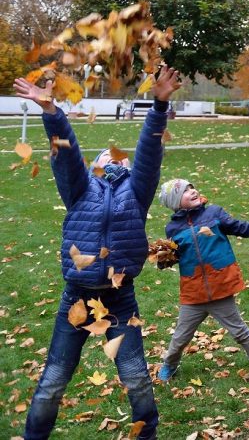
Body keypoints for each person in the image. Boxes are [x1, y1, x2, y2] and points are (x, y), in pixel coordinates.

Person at [15, 66, 182, 440]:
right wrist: (52, 112)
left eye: (118, 156)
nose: (113, 156)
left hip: (120, 300)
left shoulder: (135, 194)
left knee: (137, 379)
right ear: (94, 167)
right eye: (105, 155)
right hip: (77, 298)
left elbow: (149, 154)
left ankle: (147, 435)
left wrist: (159, 104)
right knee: (53, 383)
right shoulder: (78, 190)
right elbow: (67, 154)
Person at [155, 178, 249, 385]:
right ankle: (170, 365)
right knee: (180, 338)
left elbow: (240, 227)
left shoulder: (213, 213)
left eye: (193, 187)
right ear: (176, 202)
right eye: (185, 192)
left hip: (220, 287)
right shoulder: (173, 228)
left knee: (239, 331)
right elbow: (175, 255)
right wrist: (163, 259)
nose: (193, 191)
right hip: (193, 292)